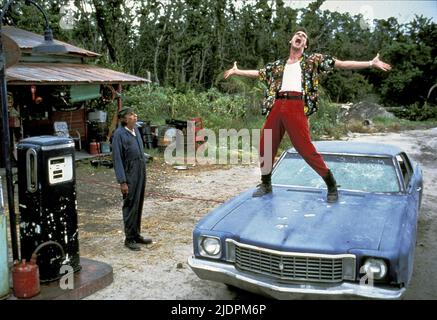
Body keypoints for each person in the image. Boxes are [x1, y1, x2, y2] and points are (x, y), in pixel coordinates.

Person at [224, 27, 391, 202]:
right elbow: (259, 73)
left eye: (304, 36)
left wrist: (370, 63)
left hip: (297, 105)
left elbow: (341, 63)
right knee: (266, 143)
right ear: (291, 41)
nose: (300, 36)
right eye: (297, 34)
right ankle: (266, 183)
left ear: (305, 45)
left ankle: (331, 184)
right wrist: (237, 71)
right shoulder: (278, 65)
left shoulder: (312, 60)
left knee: (305, 148)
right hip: (277, 104)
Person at [112, 107, 152, 251]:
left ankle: (136, 235)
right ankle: (129, 239)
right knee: (130, 205)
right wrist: (122, 181)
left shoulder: (136, 132)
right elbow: (117, 159)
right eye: (131, 115)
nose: (135, 117)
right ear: (124, 119)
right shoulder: (119, 135)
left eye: (135, 114)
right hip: (129, 174)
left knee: (138, 203)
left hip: (140, 171)